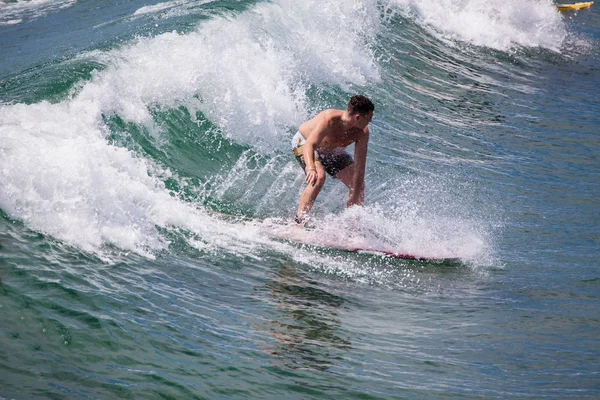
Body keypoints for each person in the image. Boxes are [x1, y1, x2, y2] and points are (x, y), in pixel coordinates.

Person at [291, 95, 374, 224]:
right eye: (369, 119)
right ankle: (300, 221)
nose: (370, 122)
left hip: (331, 151)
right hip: (304, 142)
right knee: (318, 177)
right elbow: (310, 145)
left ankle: (352, 224)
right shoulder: (329, 119)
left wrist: (355, 195)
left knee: (358, 186)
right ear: (358, 117)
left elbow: (360, 167)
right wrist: (311, 167)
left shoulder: (362, 133)